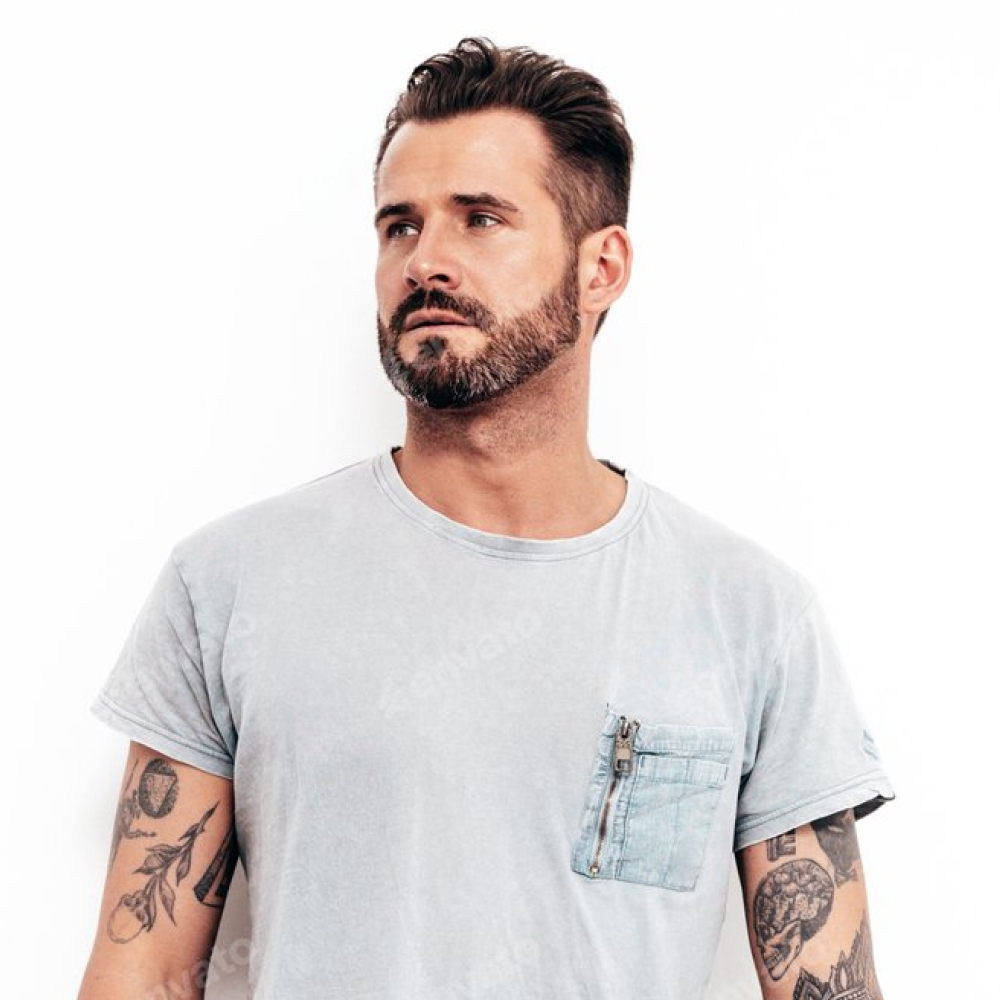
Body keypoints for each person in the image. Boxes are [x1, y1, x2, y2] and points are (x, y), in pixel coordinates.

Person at [78, 36, 895, 1000]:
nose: (426, 262)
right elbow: (144, 976)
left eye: (480, 219)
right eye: (399, 226)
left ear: (601, 267)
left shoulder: (751, 614)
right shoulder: (227, 585)